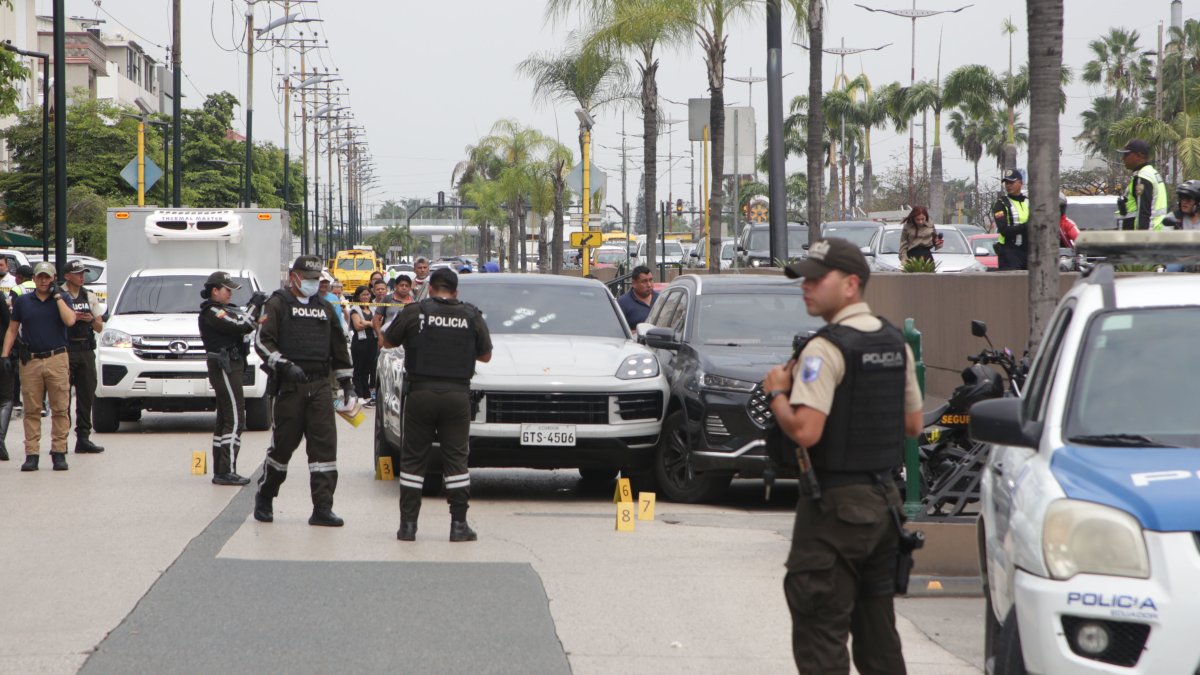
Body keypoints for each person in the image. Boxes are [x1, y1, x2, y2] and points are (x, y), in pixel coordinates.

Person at [761, 238, 923, 674]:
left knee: (821, 634)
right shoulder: (895, 342)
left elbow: (805, 431)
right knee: (879, 638)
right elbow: (913, 425)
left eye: (817, 279)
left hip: (835, 508)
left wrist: (777, 394)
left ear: (851, 284)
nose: (806, 287)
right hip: (885, 505)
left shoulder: (825, 348)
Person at [382, 268, 492, 542]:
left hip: (420, 394)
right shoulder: (471, 315)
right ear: (456, 291)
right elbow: (486, 356)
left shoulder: (414, 312)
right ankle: (458, 526)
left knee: (413, 460)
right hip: (456, 396)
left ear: (430, 288)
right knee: (456, 460)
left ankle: (408, 526)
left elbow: (387, 341)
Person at [252, 255, 354, 527]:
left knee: (324, 450)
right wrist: (284, 365)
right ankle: (265, 495)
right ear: (294, 277)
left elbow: (339, 347)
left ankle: (323, 508)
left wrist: (347, 383)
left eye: (316, 278)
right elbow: (262, 341)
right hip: (290, 387)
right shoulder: (277, 304)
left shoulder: (325, 307)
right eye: (308, 278)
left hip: (320, 386)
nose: (313, 282)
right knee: (283, 448)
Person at [1, 262, 77, 472]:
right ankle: (32, 454)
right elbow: (12, 329)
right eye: (40, 277)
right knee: (32, 409)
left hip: (57, 358)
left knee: (60, 408)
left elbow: (70, 320)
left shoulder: (62, 298)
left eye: (47, 277)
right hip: (31, 360)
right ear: (34, 279)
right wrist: (5, 355)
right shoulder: (23, 301)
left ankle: (59, 452)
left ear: (53, 279)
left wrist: (58, 297)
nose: (44, 281)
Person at [199, 271, 265, 486]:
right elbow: (241, 325)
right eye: (227, 290)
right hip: (224, 366)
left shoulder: (225, 310)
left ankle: (222, 469)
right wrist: (254, 305)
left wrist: (254, 314)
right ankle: (226, 471)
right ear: (215, 291)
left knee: (225, 419)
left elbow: (245, 323)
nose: (230, 294)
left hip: (231, 364)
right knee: (235, 418)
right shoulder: (213, 312)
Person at [62, 260, 105, 454]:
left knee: (86, 396)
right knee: (62, 398)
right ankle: (61, 440)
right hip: (65, 350)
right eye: (78, 273)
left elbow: (100, 327)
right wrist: (71, 317)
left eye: (83, 273)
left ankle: (83, 438)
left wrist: (90, 320)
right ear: (67, 276)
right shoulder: (59, 295)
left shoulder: (89, 295)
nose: (82, 277)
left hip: (85, 350)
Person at [1118, 139, 1168, 231]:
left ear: (1139, 155)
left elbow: (1143, 213)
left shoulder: (1143, 177)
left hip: (1148, 235)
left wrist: (1141, 238)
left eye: (1126, 155)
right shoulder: (1150, 173)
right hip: (1155, 233)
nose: (1123, 159)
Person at [992, 169, 1030, 271]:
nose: (1008, 185)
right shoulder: (1001, 204)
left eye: (1011, 182)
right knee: (1012, 279)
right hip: (1009, 251)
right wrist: (1026, 226)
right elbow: (1003, 230)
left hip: (1029, 251)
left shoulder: (1029, 202)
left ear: (1021, 183)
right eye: (1006, 183)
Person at [347, 284, 378, 405]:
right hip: (360, 342)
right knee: (359, 369)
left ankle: (366, 394)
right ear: (358, 296)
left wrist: (367, 323)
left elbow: (378, 324)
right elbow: (358, 326)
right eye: (363, 295)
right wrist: (371, 324)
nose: (366, 297)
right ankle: (358, 394)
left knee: (368, 369)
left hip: (373, 341)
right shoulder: (355, 309)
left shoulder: (373, 308)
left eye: (368, 294)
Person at [373, 272, 414, 345]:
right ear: (395, 286)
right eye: (401, 285)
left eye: (407, 286)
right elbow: (376, 319)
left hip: (407, 341)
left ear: (410, 288)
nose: (404, 288)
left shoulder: (413, 303)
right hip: (387, 339)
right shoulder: (387, 299)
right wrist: (379, 336)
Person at [617, 265, 658, 330]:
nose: (649, 285)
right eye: (644, 281)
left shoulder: (660, 298)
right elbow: (618, 330)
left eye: (650, 280)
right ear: (634, 284)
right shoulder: (623, 303)